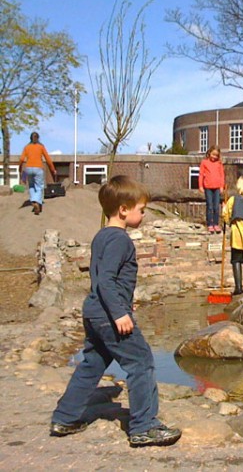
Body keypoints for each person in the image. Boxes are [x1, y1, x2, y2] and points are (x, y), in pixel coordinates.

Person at [50, 175, 181, 448]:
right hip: (110, 314)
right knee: (141, 362)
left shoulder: (101, 236)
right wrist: (120, 312)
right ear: (123, 209)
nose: (143, 215)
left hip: (96, 310)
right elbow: (106, 279)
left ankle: (65, 417)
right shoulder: (120, 239)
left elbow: (102, 279)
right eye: (141, 210)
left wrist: (121, 301)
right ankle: (144, 426)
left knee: (93, 363)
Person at [19, 131, 56, 215]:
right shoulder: (41, 147)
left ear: (30, 138)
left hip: (28, 168)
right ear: (38, 138)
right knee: (39, 186)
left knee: (31, 185)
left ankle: (33, 200)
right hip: (38, 168)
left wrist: (20, 168)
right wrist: (53, 169)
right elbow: (48, 159)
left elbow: (21, 159)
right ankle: (37, 201)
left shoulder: (27, 147)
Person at [198, 146, 225, 234]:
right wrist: (200, 186)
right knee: (209, 206)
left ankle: (216, 223)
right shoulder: (204, 162)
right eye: (213, 154)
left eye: (216, 155)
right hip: (208, 187)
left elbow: (222, 175)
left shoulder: (219, 164)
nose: (214, 157)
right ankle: (210, 223)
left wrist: (221, 186)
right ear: (209, 153)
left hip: (217, 187)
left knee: (216, 206)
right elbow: (201, 174)